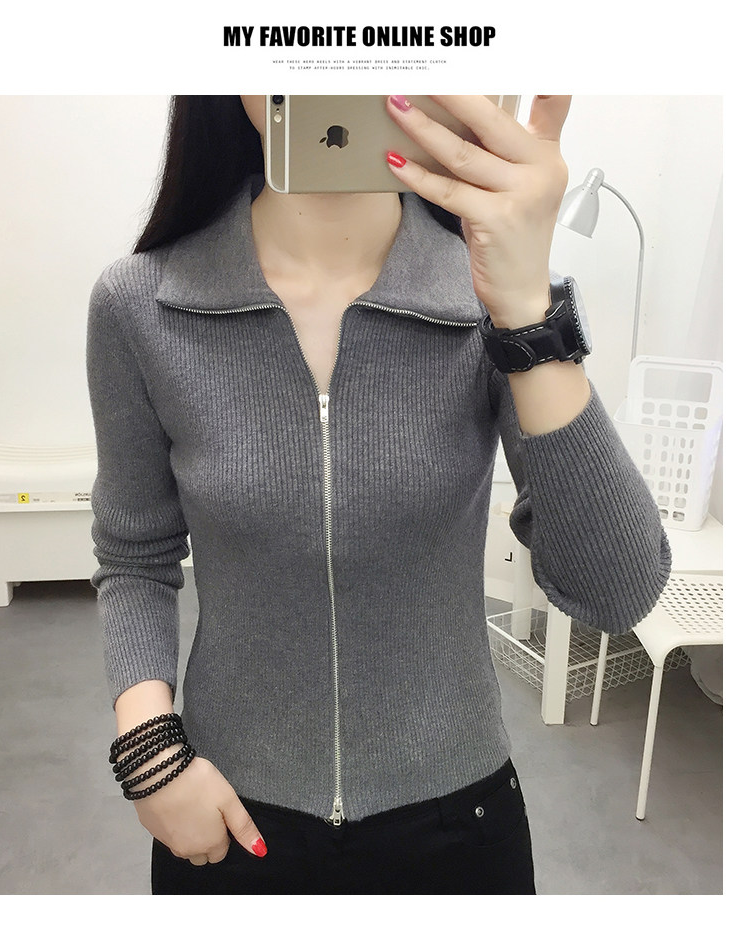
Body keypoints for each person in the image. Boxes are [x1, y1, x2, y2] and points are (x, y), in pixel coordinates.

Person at [86, 95, 671, 895]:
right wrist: (151, 756)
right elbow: (134, 555)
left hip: (458, 818)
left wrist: (527, 315)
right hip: (226, 813)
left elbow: (616, 589)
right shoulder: (139, 303)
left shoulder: (493, 297)